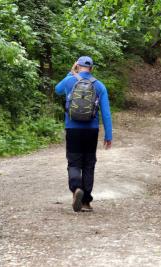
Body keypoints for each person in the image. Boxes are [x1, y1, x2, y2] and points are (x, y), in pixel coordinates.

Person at [55, 56, 112, 212]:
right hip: (91, 130)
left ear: (77, 66)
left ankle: (76, 189)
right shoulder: (99, 86)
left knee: (74, 162)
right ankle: (86, 202)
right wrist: (108, 135)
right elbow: (106, 113)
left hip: (73, 129)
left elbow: (57, 89)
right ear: (91, 68)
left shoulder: (69, 81)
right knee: (88, 164)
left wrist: (70, 73)